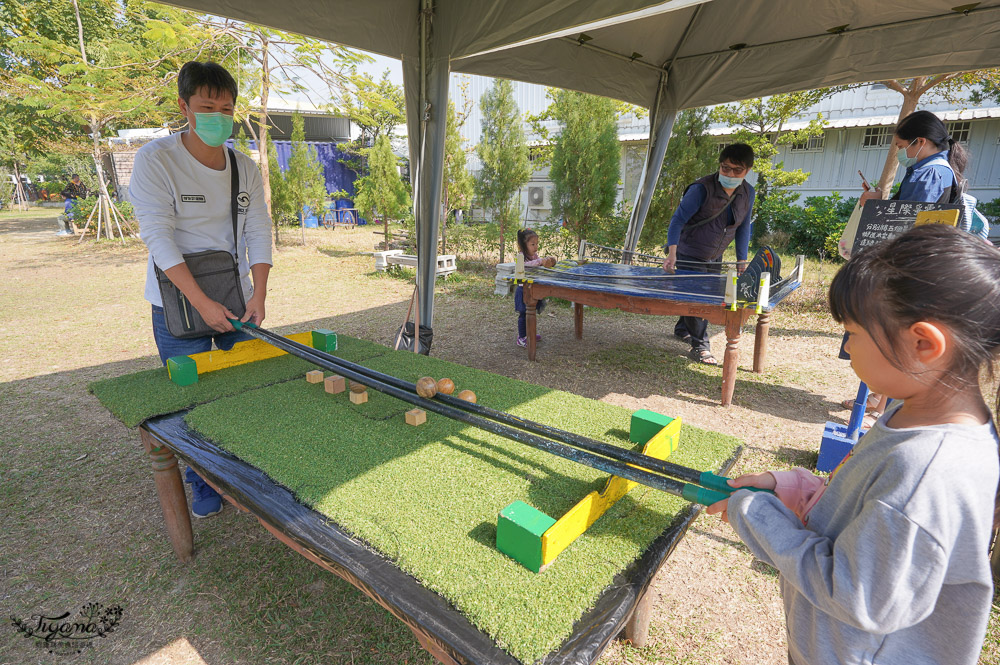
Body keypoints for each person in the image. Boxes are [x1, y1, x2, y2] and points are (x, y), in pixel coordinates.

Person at [708, 224, 1000, 665]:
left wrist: (754, 513)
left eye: (853, 333)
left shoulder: (929, 471)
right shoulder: (918, 415)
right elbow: (873, 515)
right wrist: (804, 492)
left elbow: (856, 594)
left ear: (923, 343)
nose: (847, 347)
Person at [130, 61, 273, 518]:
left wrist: (259, 295)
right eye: (207, 106)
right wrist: (200, 302)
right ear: (184, 106)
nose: (217, 116)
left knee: (249, 387)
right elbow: (158, 237)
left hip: (235, 295)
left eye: (226, 108)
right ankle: (202, 482)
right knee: (189, 398)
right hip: (176, 300)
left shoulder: (243, 167)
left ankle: (248, 472)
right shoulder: (157, 160)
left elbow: (259, 230)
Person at [844, 110, 972, 426]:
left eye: (903, 146)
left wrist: (876, 211)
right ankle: (880, 400)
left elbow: (907, 224)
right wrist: (878, 203)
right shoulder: (938, 170)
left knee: (893, 338)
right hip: (919, 268)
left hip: (909, 270)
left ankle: (891, 406)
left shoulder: (930, 174)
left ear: (921, 141)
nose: (901, 153)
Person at [662, 143, 755, 365]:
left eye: (736, 170)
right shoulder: (701, 188)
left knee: (703, 296)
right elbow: (677, 220)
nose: (730, 174)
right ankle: (700, 346)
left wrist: (742, 258)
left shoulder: (747, 192)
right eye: (725, 168)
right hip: (689, 251)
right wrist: (672, 253)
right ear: (719, 166)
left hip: (715, 253)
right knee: (698, 300)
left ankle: (682, 328)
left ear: (748, 171)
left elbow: (743, 227)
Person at [513, 228, 556, 348]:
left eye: (537, 244)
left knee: (531, 313)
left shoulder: (534, 256)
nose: (535, 247)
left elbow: (538, 263)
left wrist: (547, 262)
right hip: (523, 290)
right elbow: (525, 266)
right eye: (532, 244)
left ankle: (530, 334)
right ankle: (521, 337)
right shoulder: (521, 256)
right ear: (523, 244)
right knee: (523, 314)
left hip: (533, 289)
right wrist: (540, 262)